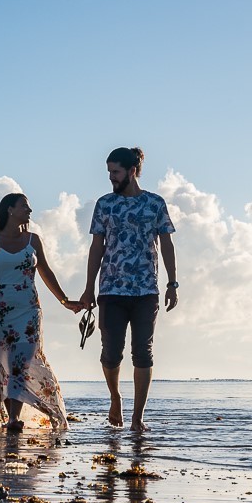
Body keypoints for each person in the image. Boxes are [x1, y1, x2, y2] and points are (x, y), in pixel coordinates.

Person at [79, 146, 177, 432]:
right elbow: (97, 247)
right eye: (109, 172)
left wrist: (172, 282)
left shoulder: (155, 204)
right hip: (111, 289)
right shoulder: (105, 204)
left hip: (146, 290)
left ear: (132, 171)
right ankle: (115, 398)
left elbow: (167, 244)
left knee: (143, 353)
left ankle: (138, 417)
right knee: (111, 353)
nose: (111, 177)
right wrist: (88, 288)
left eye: (115, 172)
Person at [0, 193, 80, 432]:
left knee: (23, 361)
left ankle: (14, 419)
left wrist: (64, 300)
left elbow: (46, 272)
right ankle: (12, 419)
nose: (29, 211)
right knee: (7, 365)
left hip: (28, 311)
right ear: (10, 210)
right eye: (25, 207)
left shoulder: (33, 240)